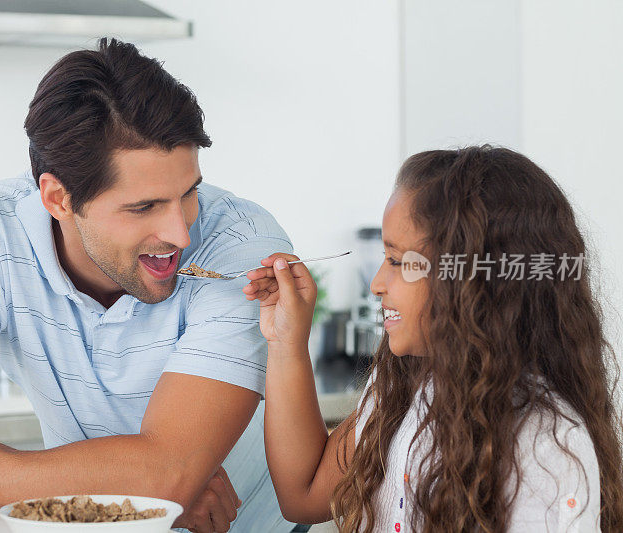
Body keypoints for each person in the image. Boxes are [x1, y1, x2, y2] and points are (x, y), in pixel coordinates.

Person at [0, 38, 297, 533]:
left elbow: (168, 478)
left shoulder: (242, 247)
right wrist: (138, 487)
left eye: (188, 193)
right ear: (58, 198)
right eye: (143, 206)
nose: (180, 233)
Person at [243, 146, 623, 531]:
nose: (376, 284)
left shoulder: (546, 450)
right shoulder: (401, 389)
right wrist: (286, 342)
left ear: (473, 282)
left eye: (397, 261)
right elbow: (303, 494)